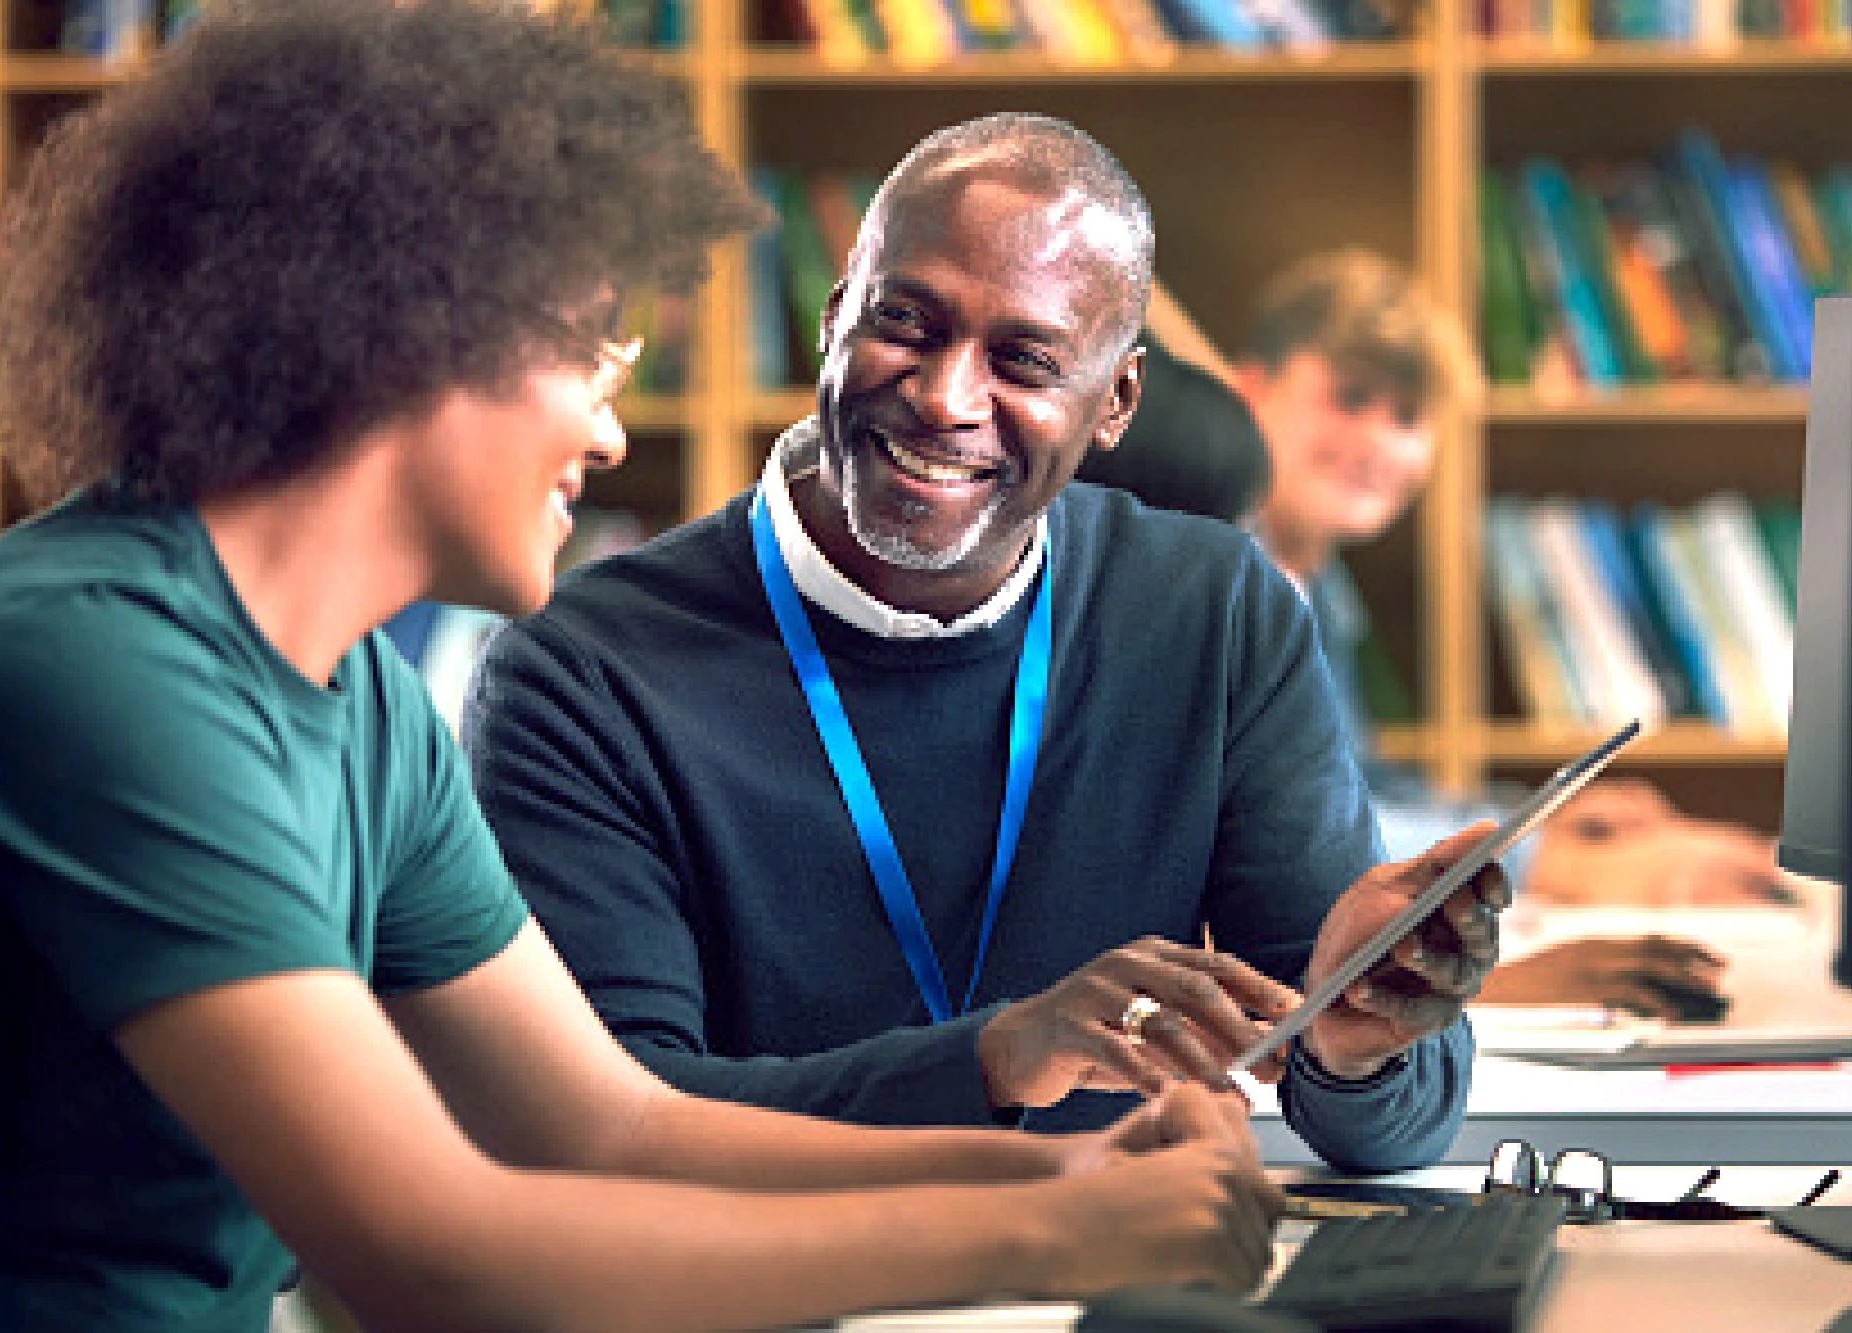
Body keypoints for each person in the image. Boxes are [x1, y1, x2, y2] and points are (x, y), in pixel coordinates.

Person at [0, 8, 1305, 1329]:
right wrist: (1055, 1244)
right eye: (585, 363)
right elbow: (437, 1255)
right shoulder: (96, 675)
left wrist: (1065, 1183)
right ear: (403, 339)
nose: (608, 440)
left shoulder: (357, 703)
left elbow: (616, 1130)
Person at [464, 112, 1506, 1166]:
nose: (943, 398)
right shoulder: (581, 669)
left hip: (1103, 1292)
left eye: (1023, 360)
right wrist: (995, 1060)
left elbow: (1383, 1126)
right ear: (831, 319)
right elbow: (605, 1125)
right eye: (906, 323)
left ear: (1116, 402)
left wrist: (1357, 1049)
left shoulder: (1215, 613)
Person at [1227, 247, 1792, 1017]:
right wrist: (1552, 859)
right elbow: (1287, 832)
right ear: (1248, 388)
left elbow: (1365, 789)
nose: (1379, 442)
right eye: (1350, 397)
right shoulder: (1217, 587)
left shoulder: (1316, 583)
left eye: (1408, 416)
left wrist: (1534, 816)